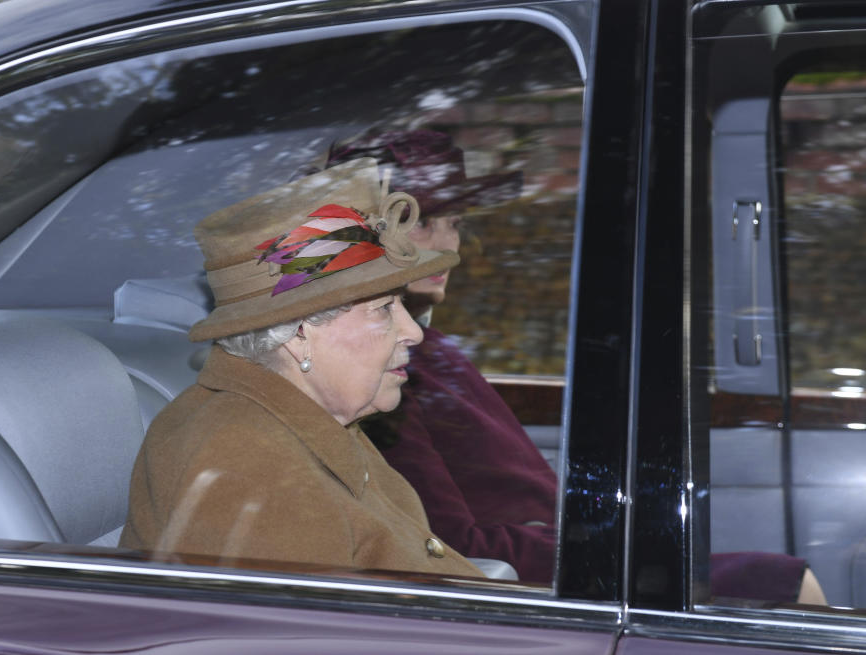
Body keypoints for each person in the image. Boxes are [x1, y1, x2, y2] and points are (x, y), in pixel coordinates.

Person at [327, 129, 826, 602]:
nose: (445, 244)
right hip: (528, 581)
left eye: (455, 223)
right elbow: (448, 541)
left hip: (562, 550)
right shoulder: (377, 368)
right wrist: (608, 557)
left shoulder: (431, 348)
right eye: (419, 220)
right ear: (368, 234)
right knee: (784, 582)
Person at [119, 157, 482, 578]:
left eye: (400, 303)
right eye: (384, 308)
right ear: (299, 334)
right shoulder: (249, 469)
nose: (412, 332)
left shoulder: (314, 419)